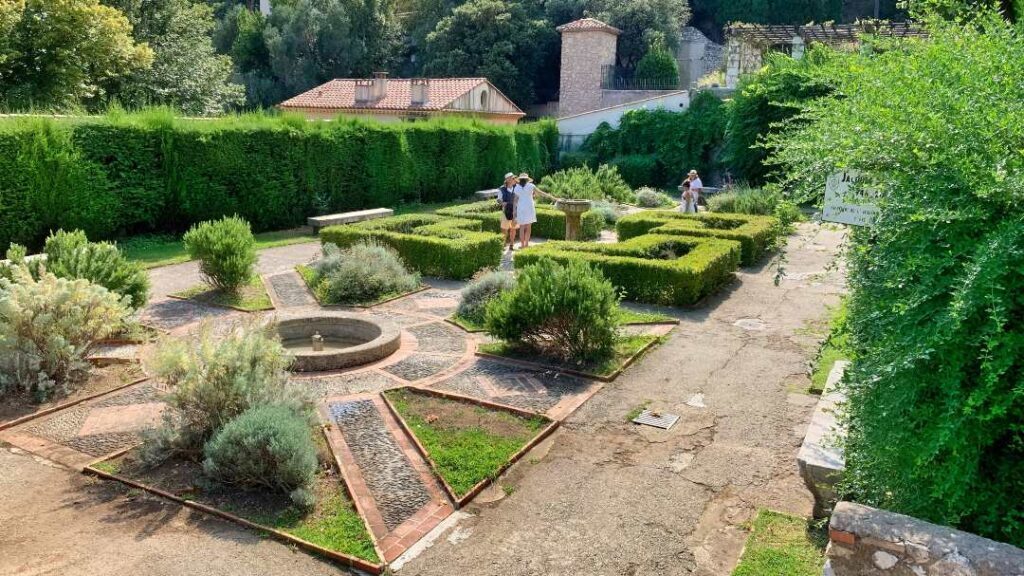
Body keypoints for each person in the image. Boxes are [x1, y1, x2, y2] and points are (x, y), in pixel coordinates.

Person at [513, 172, 557, 249]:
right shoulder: (531, 186)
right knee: (529, 226)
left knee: (522, 227)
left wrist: (514, 211)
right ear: (527, 179)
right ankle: (526, 244)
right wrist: (551, 196)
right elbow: (541, 193)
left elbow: (515, 201)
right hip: (529, 208)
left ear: (520, 180)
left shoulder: (516, 188)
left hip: (521, 208)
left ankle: (522, 245)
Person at [497, 172, 518, 250]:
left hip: (515, 211)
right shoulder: (502, 189)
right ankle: (503, 244)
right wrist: (503, 203)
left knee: (513, 228)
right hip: (506, 211)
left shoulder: (517, 187)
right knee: (504, 229)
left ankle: (511, 245)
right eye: (513, 178)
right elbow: (499, 200)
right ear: (508, 180)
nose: (514, 179)